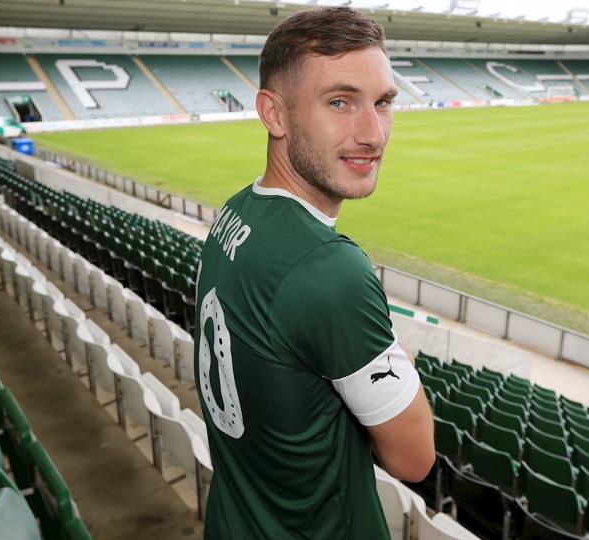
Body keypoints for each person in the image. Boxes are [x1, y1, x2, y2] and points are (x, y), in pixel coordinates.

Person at [193, 6, 435, 539]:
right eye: (340, 102)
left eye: (384, 102)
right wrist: (399, 362)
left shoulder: (235, 211)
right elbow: (414, 459)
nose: (373, 134)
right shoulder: (328, 270)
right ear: (274, 113)